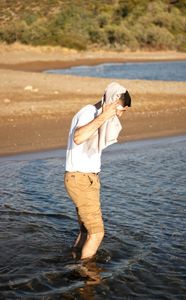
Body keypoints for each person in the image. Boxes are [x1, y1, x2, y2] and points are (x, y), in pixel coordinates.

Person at [64, 82, 132, 260]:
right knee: (97, 233)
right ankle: (87, 278)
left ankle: (74, 260)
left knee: (86, 231)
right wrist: (105, 115)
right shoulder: (89, 112)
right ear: (114, 102)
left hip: (86, 180)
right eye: (122, 109)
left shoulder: (95, 114)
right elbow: (78, 137)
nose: (121, 114)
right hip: (80, 179)